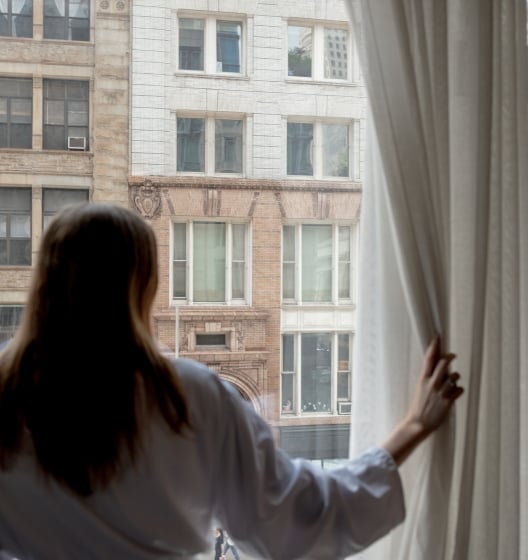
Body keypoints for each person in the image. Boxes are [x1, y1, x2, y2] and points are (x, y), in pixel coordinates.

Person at [0, 203, 464, 560]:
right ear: (142, 285)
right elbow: (294, 516)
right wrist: (412, 428)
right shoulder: (185, 398)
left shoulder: (6, 396)